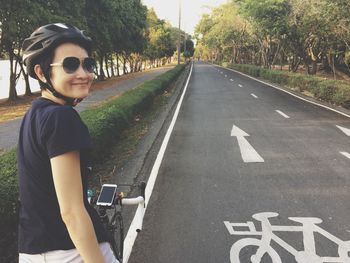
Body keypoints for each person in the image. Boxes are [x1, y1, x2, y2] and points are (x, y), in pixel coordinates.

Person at [17, 23, 118, 263]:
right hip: (70, 252)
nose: (84, 73)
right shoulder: (62, 118)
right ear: (42, 73)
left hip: (32, 253)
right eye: (70, 65)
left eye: (88, 64)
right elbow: (71, 213)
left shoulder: (36, 113)